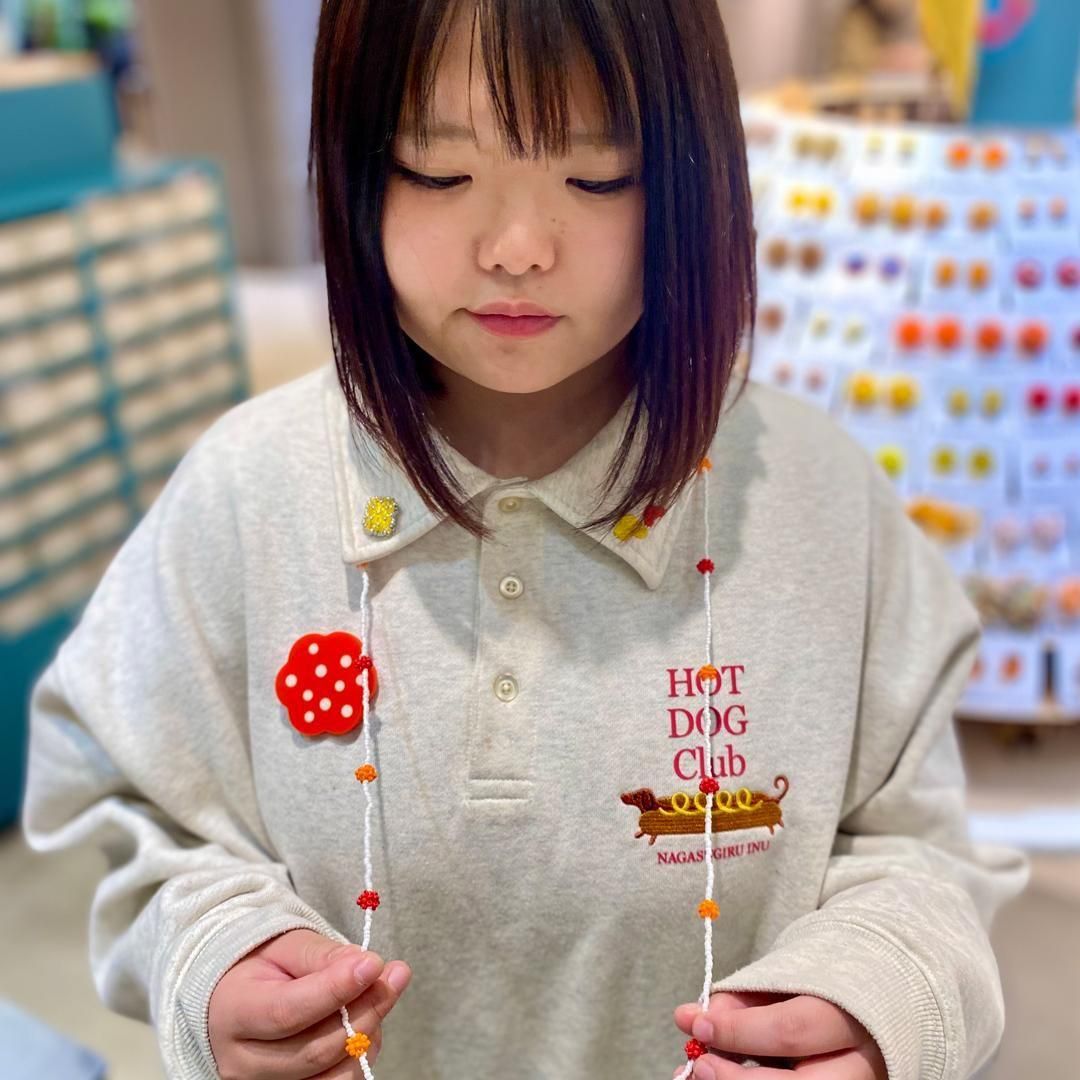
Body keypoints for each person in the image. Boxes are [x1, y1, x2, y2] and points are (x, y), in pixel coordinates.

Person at [21, 1, 1029, 1078]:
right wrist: (212, 953)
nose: (516, 249)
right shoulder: (245, 490)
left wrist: (875, 1003)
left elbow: (920, 849)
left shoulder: (816, 500)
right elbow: (126, 799)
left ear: (692, 179)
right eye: (438, 171)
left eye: (596, 178)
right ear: (356, 171)